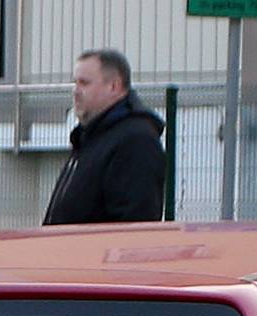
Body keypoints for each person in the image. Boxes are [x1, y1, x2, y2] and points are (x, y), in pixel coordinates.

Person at [42, 48, 167, 226]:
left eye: (84, 83)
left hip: (92, 252)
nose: (76, 91)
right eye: (75, 83)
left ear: (114, 86)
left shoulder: (135, 141)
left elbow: (134, 222)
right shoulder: (90, 137)